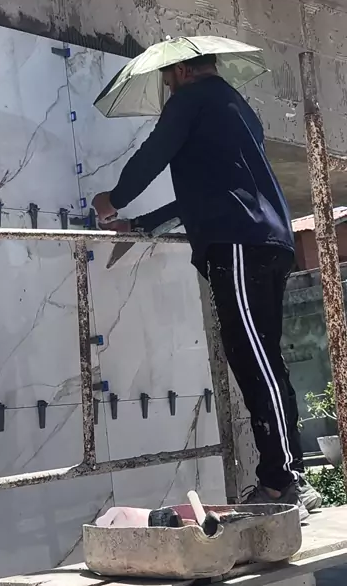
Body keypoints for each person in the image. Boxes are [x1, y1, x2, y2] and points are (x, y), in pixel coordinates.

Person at [93, 53, 321, 517]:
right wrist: (140, 223)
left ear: (181, 70)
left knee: (254, 361)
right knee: (262, 359)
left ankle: (283, 483)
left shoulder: (192, 98)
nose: (166, 90)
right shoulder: (237, 108)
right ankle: (288, 476)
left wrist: (112, 200)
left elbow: (153, 155)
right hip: (265, 240)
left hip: (238, 242)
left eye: (166, 80)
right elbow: (201, 194)